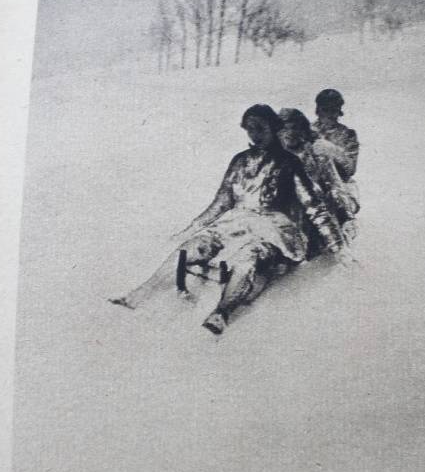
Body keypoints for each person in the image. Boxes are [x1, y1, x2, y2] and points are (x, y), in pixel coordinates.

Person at [110, 104, 346, 335]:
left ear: (273, 128)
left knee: (247, 260)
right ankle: (140, 294)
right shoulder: (240, 161)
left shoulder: (289, 163)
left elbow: (315, 207)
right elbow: (222, 203)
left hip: (274, 228)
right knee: (192, 248)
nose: (255, 135)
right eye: (250, 129)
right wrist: (190, 229)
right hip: (235, 222)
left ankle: (221, 313)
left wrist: (338, 248)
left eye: (260, 129)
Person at [278, 107, 358, 255]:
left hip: (319, 207)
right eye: (284, 129)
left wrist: (347, 216)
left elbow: (334, 184)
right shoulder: (273, 156)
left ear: (302, 129)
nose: (290, 133)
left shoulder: (316, 154)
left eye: (294, 128)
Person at [312, 88, 359, 182]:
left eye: (334, 110)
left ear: (339, 111)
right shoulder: (307, 131)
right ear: (318, 110)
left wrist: (330, 149)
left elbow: (350, 169)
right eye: (326, 110)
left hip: (339, 185)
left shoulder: (348, 135)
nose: (330, 114)